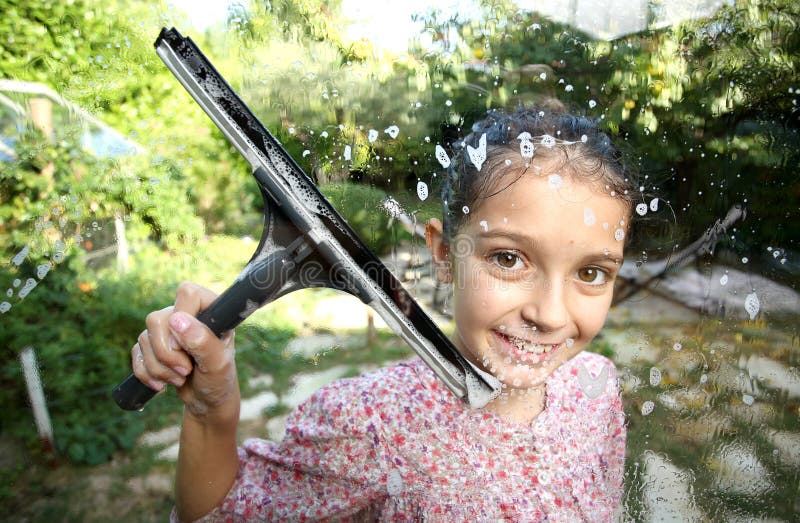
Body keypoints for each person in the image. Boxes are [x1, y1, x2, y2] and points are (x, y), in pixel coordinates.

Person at [131, 104, 631, 522]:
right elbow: (221, 515)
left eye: (591, 273)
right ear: (443, 255)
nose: (549, 313)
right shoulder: (371, 423)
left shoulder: (596, 386)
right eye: (507, 258)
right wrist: (210, 412)